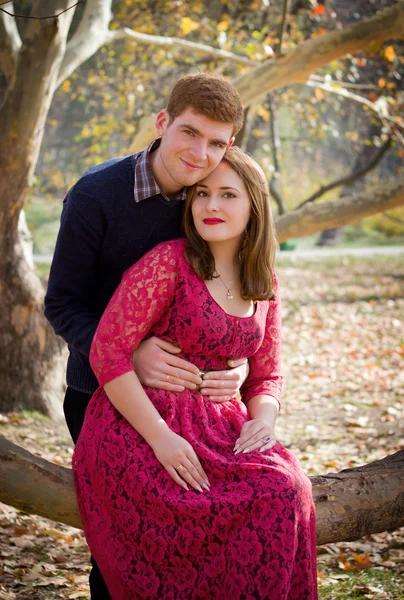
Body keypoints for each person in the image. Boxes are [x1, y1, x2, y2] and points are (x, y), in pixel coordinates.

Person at [72, 147, 318, 599]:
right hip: (139, 426)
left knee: (287, 489)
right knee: (204, 507)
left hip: (222, 429)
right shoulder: (169, 262)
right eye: (202, 193)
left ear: (254, 206)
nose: (211, 206)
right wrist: (162, 436)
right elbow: (108, 352)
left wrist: (262, 422)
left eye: (228, 194)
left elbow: (268, 374)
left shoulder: (264, 280)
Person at [44, 73, 248, 597]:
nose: (200, 153)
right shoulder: (96, 196)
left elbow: (240, 294)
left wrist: (241, 367)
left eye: (217, 142)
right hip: (99, 394)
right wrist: (127, 353)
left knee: (201, 537)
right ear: (162, 123)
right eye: (189, 132)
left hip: (195, 400)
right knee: (121, 547)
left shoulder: (216, 196)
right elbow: (62, 303)